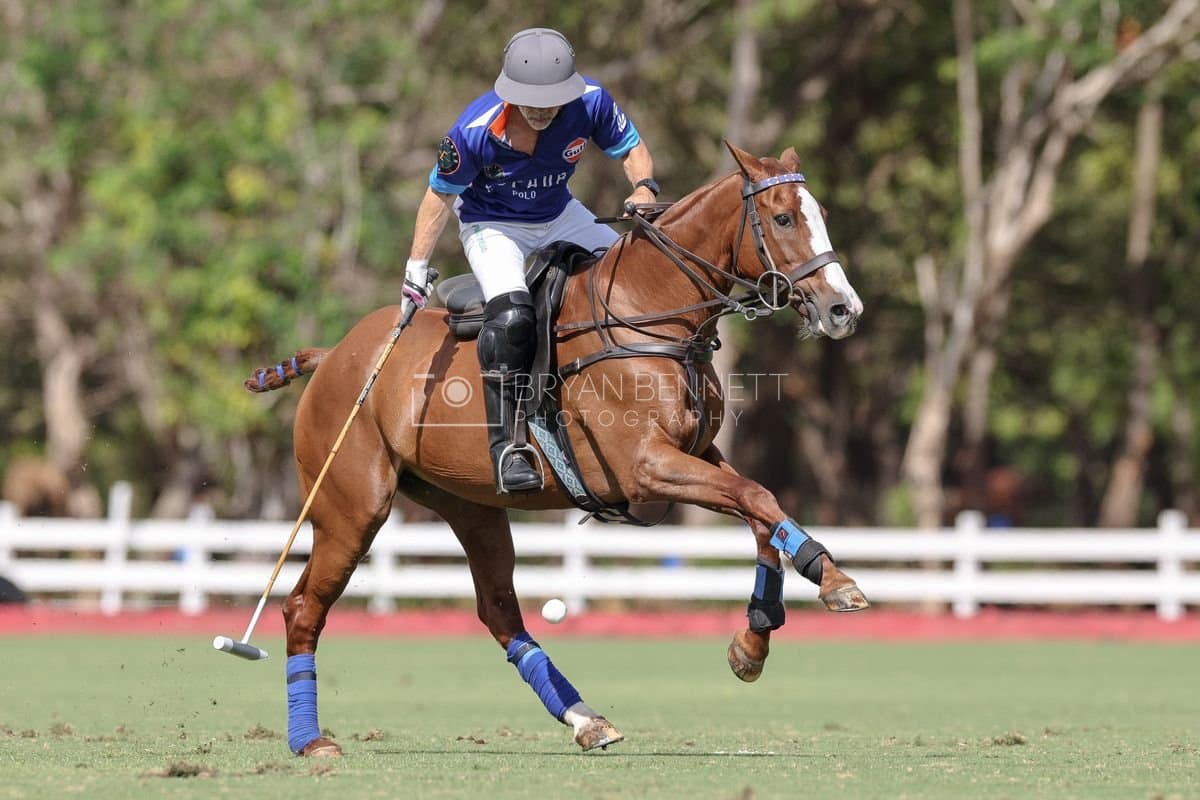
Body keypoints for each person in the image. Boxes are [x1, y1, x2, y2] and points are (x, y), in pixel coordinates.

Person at [401, 27, 659, 493]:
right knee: (514, 316)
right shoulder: (473, 132)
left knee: (634, 275)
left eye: (551, 102)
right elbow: (438, 198)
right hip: (491, 224)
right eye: (529, 101)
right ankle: (507, 449)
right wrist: (415, 270)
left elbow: (633, 150)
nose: (540, 111)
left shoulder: (592, 102)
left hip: (559, 213)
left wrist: (642, 187)